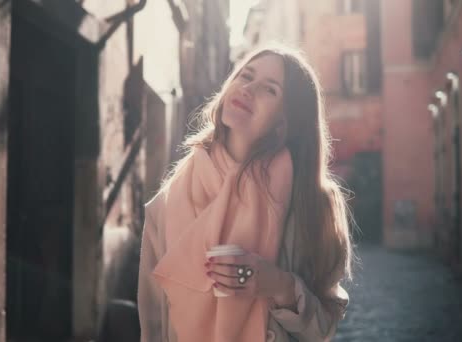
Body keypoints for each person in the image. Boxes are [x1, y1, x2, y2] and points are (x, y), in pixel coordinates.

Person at [137, 44, 353, 342]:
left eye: (270, 89)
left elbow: (325, 327)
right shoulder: (168, 201)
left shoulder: (314, 201)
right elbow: (152, 323)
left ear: (285, 121)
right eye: (246, 75)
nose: (248, 88)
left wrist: (279, 286)